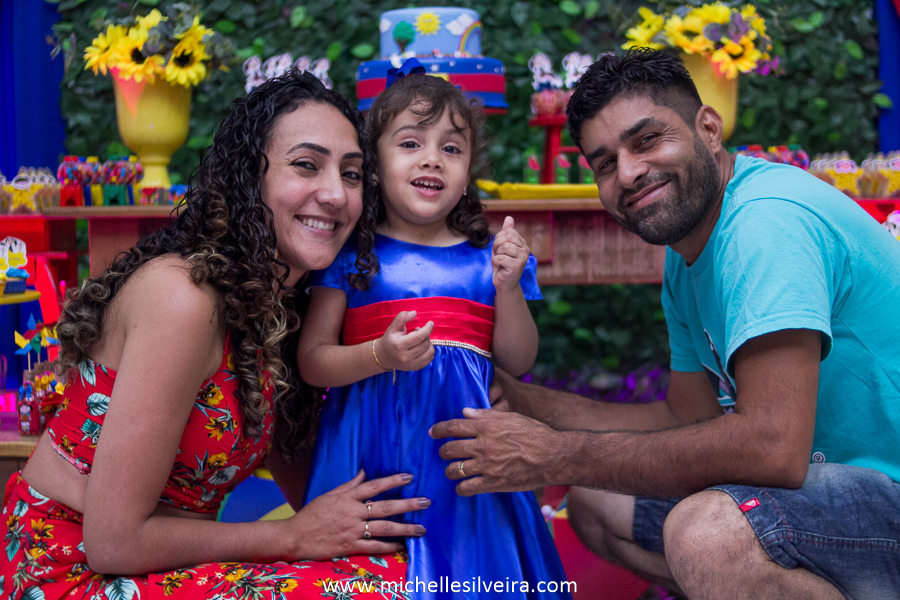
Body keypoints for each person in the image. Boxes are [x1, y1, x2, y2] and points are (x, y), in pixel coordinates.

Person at [430, 49, 900, 599]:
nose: (628, 173)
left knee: (708, 536)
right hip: (824, 496)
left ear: (708, 129)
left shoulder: (764, 225)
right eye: (606, 163)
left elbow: (772, 447)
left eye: (648, 140)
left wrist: (552, 455)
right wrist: (526, 404)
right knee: (599, 504)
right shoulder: (688, 251)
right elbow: (686, 418)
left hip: (885, 492)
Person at [1, 71, 431, 600]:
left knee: (417, 573)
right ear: (250, 178)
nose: (335, 194)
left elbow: (305, 478)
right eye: (306, 165)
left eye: (352, 174)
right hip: (71, 568)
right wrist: (295, 538)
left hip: (163, 561)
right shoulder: (186, 297)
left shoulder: (279, 304)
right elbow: (113, 542)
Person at [297, 64, 570, 598]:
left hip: (466, 466)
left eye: (451, 148)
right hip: (368, 455)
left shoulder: (488, 259)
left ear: (468, 172)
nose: (432, 158)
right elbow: (313, 360)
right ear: (373, 164)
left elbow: (517, 360)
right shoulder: (352, 255)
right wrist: (377, 354)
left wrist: (509, 287)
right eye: (411, 143)